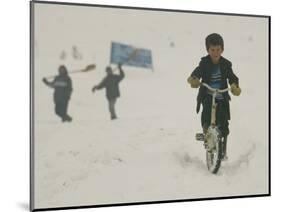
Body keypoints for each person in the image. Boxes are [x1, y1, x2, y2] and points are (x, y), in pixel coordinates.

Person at [187, 33, 241, 160]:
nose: (215, 53)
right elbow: (197, 72)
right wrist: (194, 79)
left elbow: (232, 77)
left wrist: (234, 86)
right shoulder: (204, 63)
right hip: (208, 95)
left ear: (222, 49)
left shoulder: (226, 64)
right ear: (208, 50)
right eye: (212, 50)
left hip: (221, 97)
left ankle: (223, 149)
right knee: (206, 114)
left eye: (218, 50)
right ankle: (206, 133)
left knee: (224, 123)